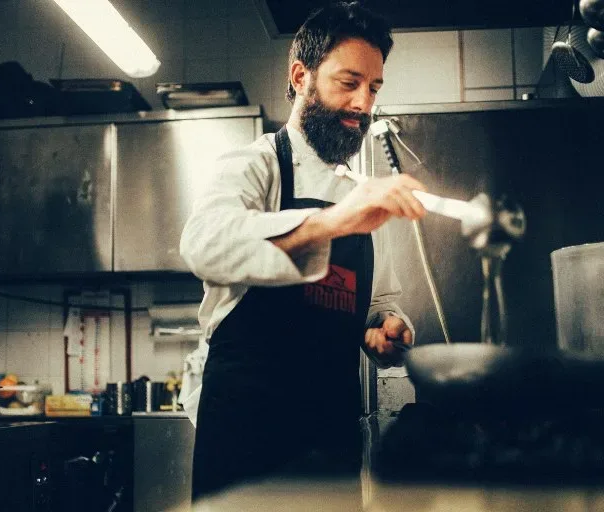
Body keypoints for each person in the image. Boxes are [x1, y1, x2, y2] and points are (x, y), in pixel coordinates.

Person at [180, 1, 427, 501]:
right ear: (301, 76)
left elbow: (378, 304)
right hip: (247, 445)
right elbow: (204, 242)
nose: (363, 103)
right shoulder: (255, 166)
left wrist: (386, 328)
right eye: (348, 82)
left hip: (330, 444)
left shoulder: (359, 191)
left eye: (374, 87)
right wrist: (332, 222)